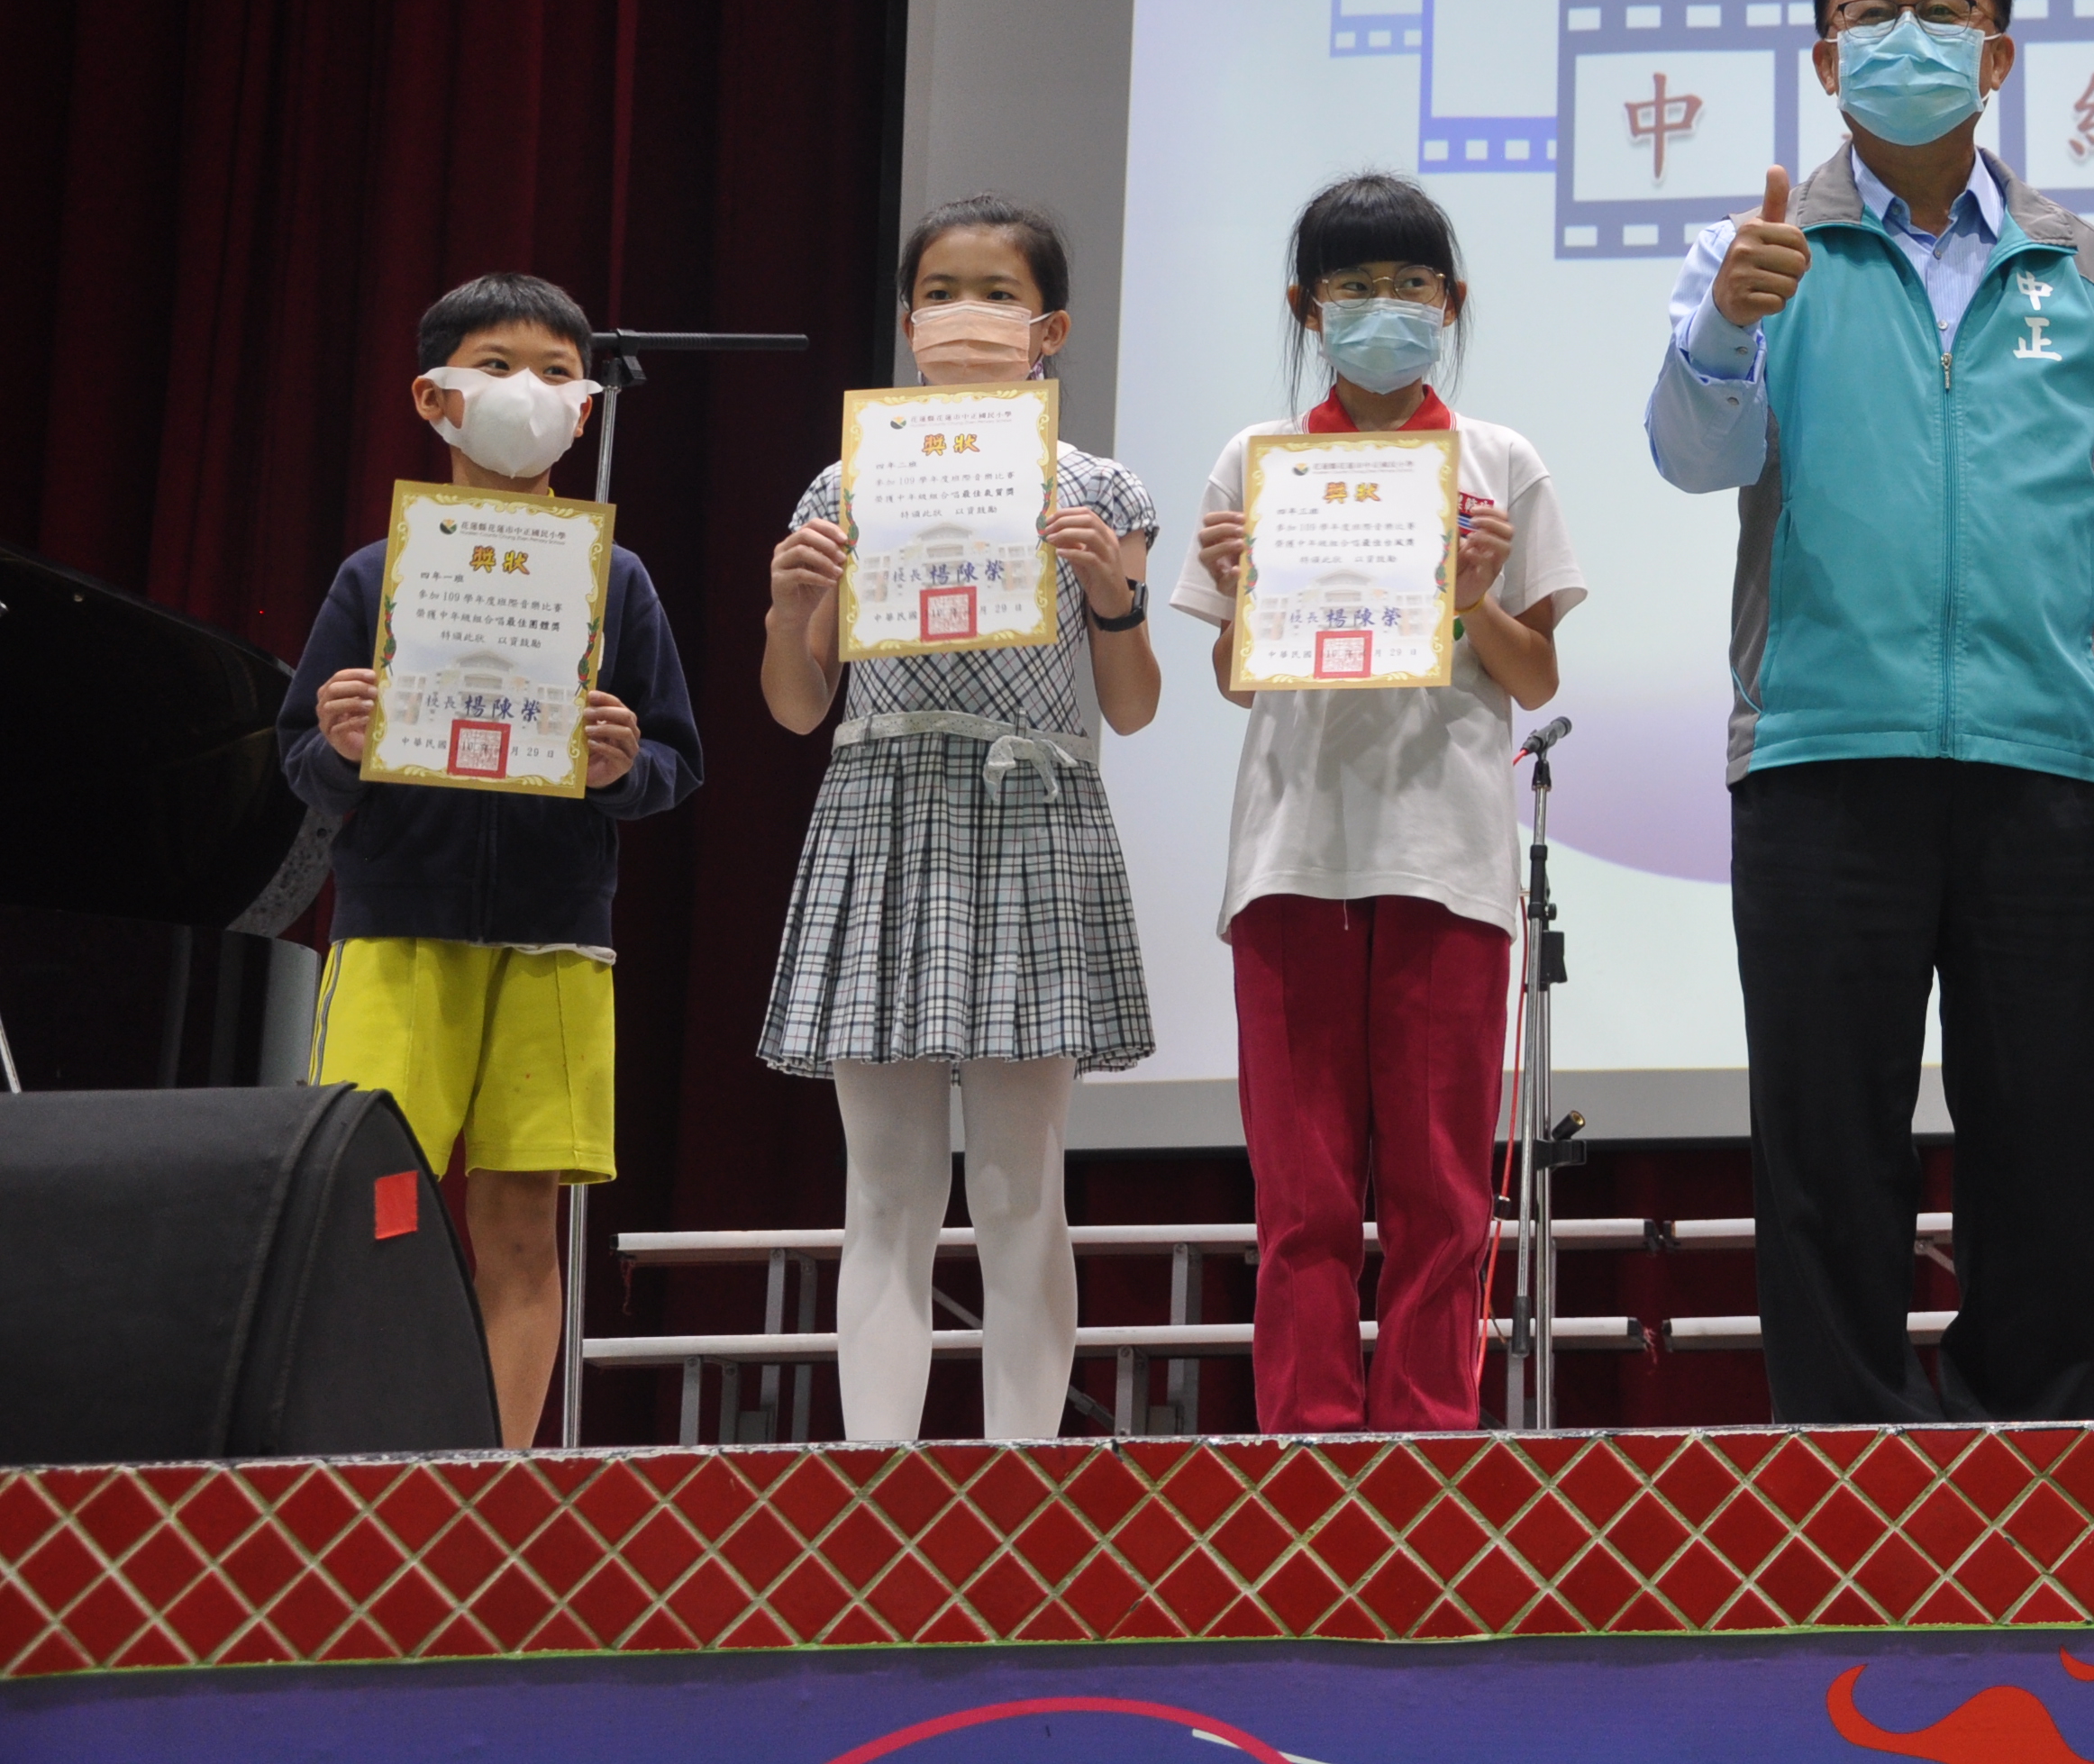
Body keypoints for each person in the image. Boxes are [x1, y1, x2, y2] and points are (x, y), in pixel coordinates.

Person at [1647, 0, 2094, 1425]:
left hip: (2042, 755)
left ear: (1996, 55)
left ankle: (2050, 1454)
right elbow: (1694, 458)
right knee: (1828, 1149)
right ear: (1827, 61)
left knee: (2049, 1142)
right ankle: (1839, 1466)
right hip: (1825, 750)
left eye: (1941, 10)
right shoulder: (1754, 255)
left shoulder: (2077, 261)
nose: (1907, 35)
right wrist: (1726, 326)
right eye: (1872, 12)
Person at [1171, 173, 1581, 1434]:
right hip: (1291, 855)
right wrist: (1246, 591)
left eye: (1409, 283)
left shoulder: (1500, 462)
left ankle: (1427, 1462)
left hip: (1445, 857)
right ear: (1308, 306)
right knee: (1300, 1202)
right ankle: (1303, 1458)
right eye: (1352, 285)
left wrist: (1472, 595)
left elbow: (1534, 676)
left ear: (1450, 302)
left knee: (1442, 1198)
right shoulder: (1258, 462)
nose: (1382, 306)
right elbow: (1238, 679)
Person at [757, 195, 1163, 1442]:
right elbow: (797, 706)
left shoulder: (1099, 489)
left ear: (1051, 328)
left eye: (996, 295)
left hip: (1030, 812)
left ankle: (1021, 1489)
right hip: (881, 814)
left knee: (1017, 1188)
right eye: (941, 294)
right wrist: (788, 609)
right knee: (882, 1191)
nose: (965, 316)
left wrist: (1110, 595)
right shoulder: (848, 479)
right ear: (907, 320)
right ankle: (880, 1489)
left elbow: (1133, 705)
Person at [280, 271, 705, 1448]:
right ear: (434, 397)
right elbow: (298, 763)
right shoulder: (375, 574)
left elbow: (675, 762)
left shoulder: (617, 581)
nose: (531, 391)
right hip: (394, 934)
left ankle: (499, 1484)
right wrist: (342, 744)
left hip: (554, 939)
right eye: (499, 366)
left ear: (586, 410)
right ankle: (370, 1469)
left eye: (558, 374)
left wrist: (621, 765)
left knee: (521, 1230)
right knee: (372, 1218)